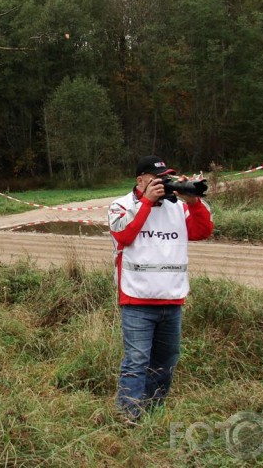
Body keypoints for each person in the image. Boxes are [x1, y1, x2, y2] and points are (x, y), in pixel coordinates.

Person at [107, 155, 214, 422]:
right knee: (136, 361)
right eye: (156, 179)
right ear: (140, 180)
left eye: (165, 178)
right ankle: (128, 416)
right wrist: (146, 202)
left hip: (172, 299)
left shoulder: (178, 206)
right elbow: (124, 235)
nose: (162, 184)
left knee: (165, 363)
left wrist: (193, 201)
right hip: (136, 299)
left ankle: (153, 413)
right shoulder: (121, 206)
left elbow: (203, 231)